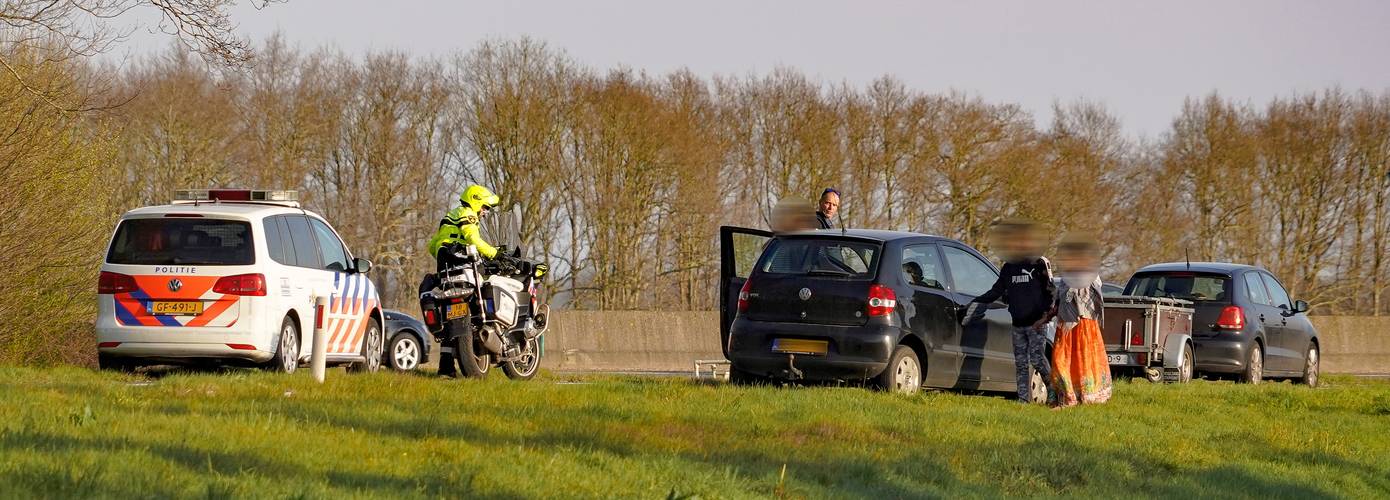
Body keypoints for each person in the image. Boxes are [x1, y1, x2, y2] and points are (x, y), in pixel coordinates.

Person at [961, 219, 1055, 403]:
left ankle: (1052, 389)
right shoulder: (1008, 268)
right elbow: (996, 291)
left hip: (1037, 323)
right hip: (1017, 324)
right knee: (1020, 363)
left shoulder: (1040, 263)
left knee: (1037, 359)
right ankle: (1023, 399)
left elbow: (1051, 291)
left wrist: (1046, 315)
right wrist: (977, 302)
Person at [425, 184, 500, 377]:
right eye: (485, 207)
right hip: (463, 269)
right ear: (476, 201)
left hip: (446, 271)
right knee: (479, 303)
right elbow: (473, 238)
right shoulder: (468, 215)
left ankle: (446, 368)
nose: (485, 212)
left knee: (451, 320)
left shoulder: (450, 215)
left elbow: (432, 246)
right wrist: (493, 253)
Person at [1035, 234, 1111, 407]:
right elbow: (1060, 302)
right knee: (1060, 360)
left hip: (1084, 325)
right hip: (1065, 326)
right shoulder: (1066, 278)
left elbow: (1093, 299)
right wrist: (1046, 318)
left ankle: (1082, 396)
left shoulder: (1090, 275)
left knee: (1083, 361)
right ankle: (1066, 396)